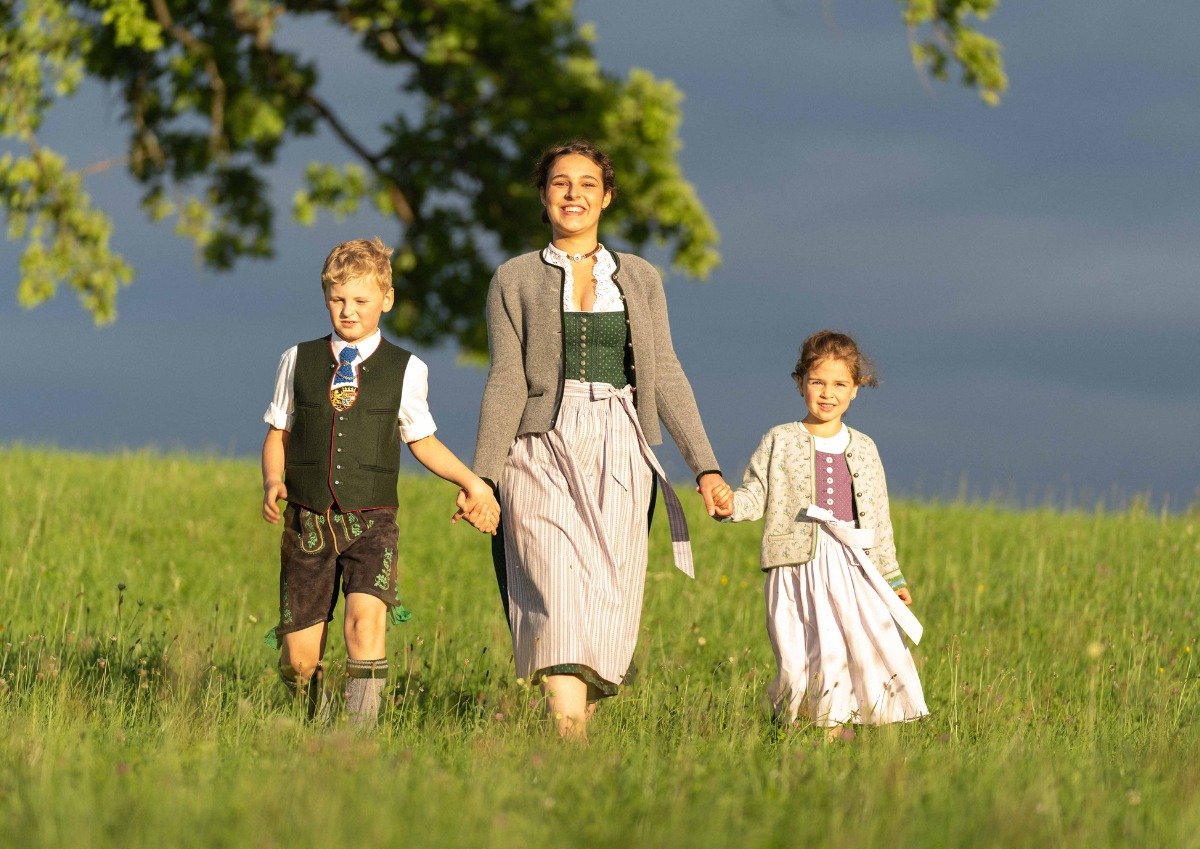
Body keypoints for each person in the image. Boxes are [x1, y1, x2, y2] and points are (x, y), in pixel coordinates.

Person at [471, 140, 730, 740]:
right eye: (561, 183)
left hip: (621, 444)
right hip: (541, 448)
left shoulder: (639, 277)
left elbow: (664, 372)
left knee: (608, 600)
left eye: (587, 184)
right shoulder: (513, 278)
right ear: (543, 196)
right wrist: (483, 478)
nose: (573, 195)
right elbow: (507, 380)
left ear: (607, 197)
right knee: (553, 588)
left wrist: (706, 467)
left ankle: (573, 749)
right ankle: (568, 741)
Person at [261, 237, 499, 728]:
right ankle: (315, 726)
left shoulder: (406, 369)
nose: (348, 311)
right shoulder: (297, 359)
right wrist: (272, 480)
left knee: (365, 625)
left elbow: (423, 440)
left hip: (372, 524)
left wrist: (472, 481)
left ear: (385, 300)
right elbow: (277, 433)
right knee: (301, 662)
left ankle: (357, 737)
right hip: (308, 522)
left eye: (361, 301)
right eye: (337, 299)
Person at [711, 331, 928, 728]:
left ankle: (832, 734)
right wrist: (729, 506)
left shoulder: (864, 447)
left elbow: (878, 517)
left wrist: (891, 573)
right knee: (796, 658)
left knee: (843, 654)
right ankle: (791, 727)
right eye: (818, 382)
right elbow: (754, 495)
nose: (828, 393)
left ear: (856, 390)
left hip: (850, 567)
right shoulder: (779, 439)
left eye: (840, 384)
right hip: (793, 567)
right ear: (800, 384)